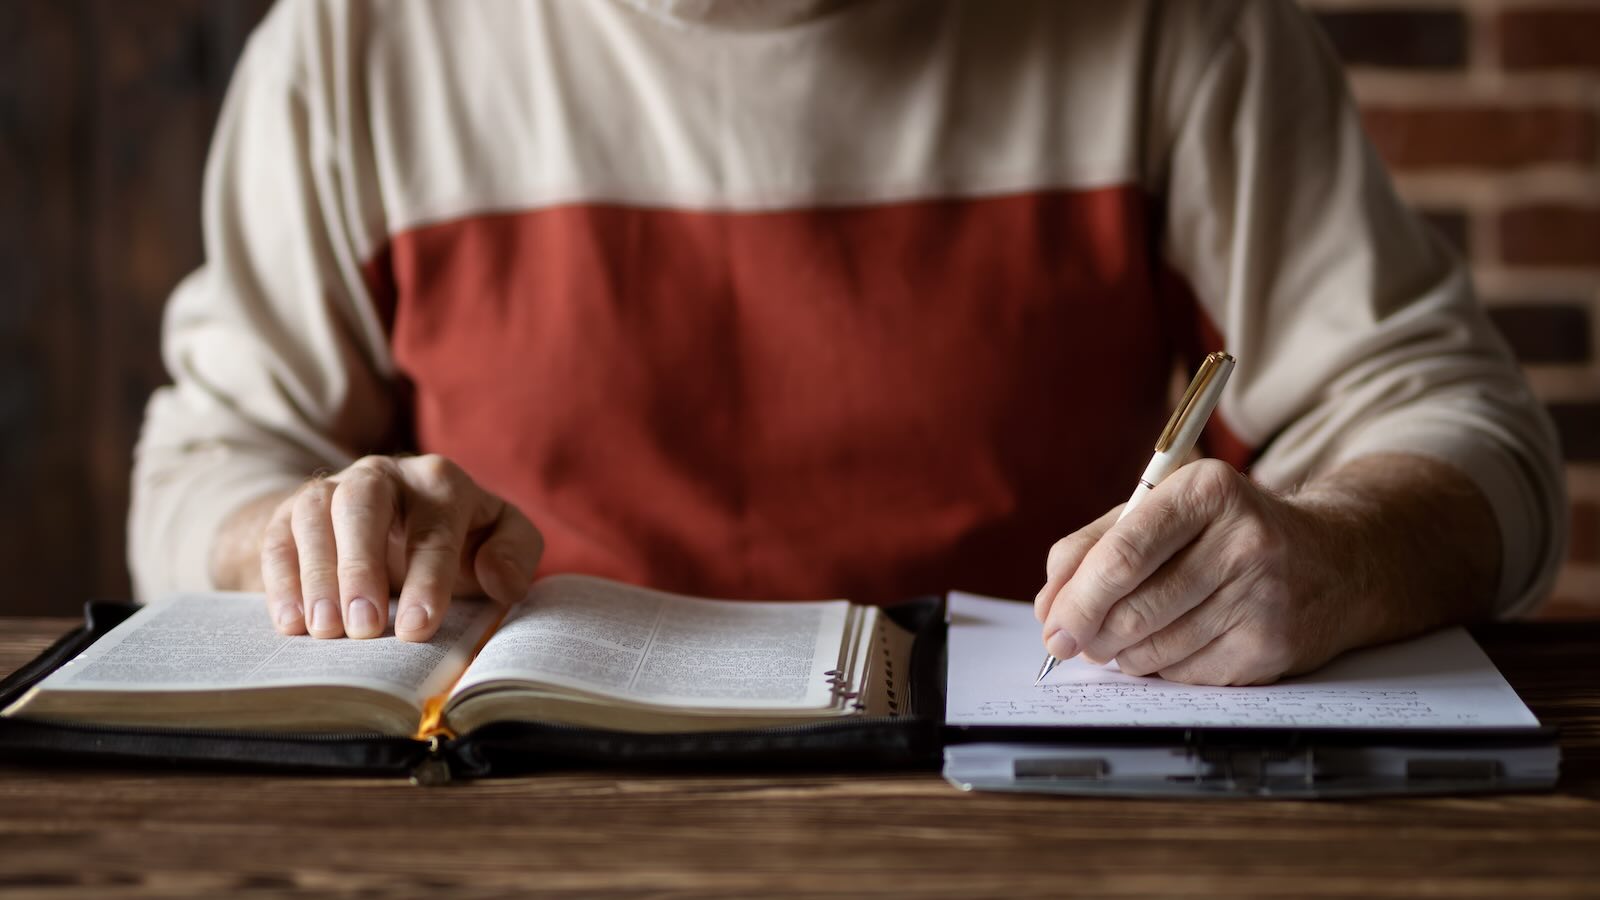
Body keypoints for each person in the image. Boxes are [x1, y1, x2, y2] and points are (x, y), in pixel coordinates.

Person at [130, 0, 1566, 686]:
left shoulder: (1181, 29)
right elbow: (200, 472)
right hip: (518, 819)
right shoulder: (354, 44)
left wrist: (1340, 556)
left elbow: (1464, 427)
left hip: (1041, 815)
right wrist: (302, 535)